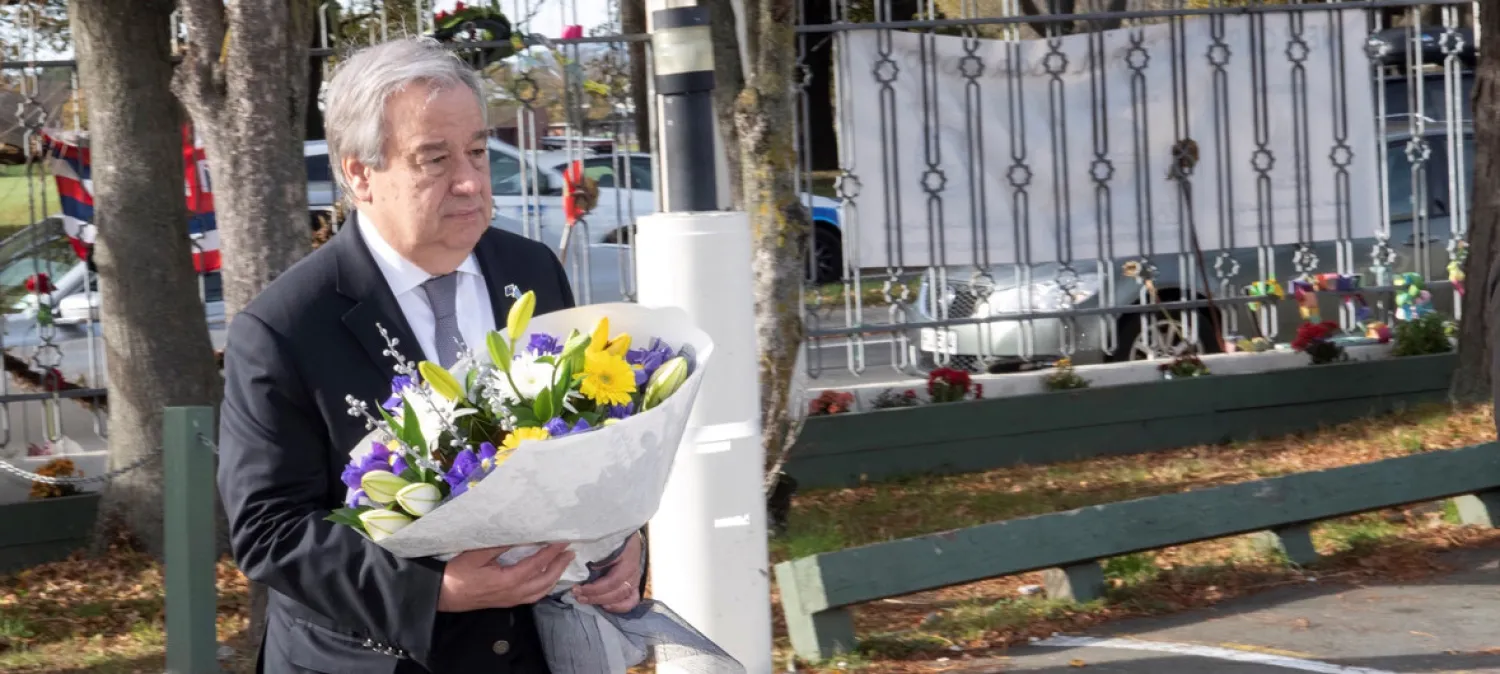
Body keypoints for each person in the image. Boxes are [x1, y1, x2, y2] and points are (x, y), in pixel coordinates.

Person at [216, 37, 644, 673]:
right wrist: (434, 591)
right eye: (434, 159)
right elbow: (269, 531)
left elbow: (588, 439)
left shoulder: (531, 271)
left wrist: (623, 542)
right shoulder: (284, 328)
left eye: (477, 151)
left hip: (533, 649)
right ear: (360, 174)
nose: (470, 181)